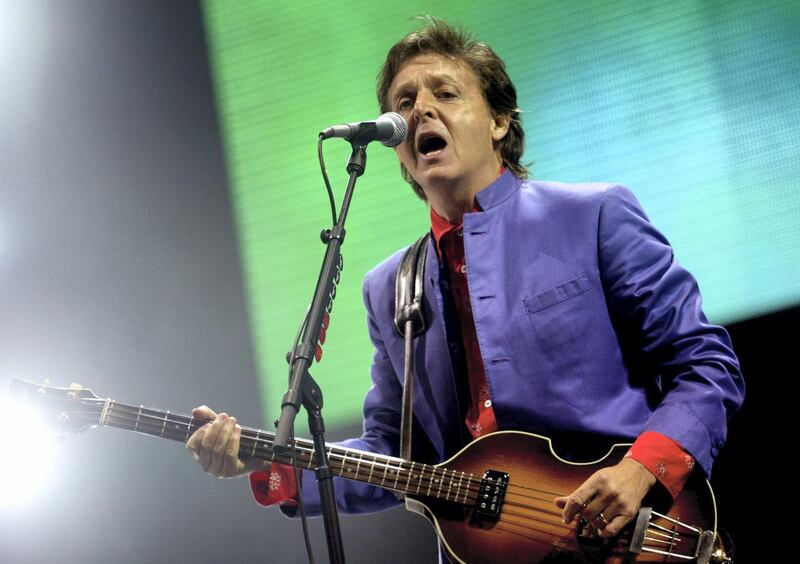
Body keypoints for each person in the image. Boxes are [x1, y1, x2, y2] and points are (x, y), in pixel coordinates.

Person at [186, 16, 743, 552]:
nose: (420, 108)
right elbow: (390, 455)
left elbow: (706, 365)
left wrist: (641, 469)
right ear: (400, 151)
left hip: (625, 534)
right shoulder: (389, 288)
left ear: (500, 121)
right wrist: (267, 460)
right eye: (403, 103)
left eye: (446, 94)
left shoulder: (595, 215)